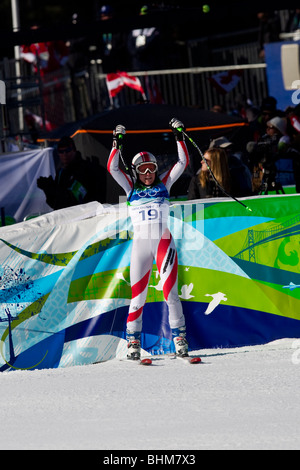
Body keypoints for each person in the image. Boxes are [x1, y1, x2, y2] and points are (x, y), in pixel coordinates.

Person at [107, 118, 191, 361]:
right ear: (135, 172)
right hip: (141, 246)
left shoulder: (165, 182)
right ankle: (133, 342)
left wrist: (179, 136)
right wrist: (117, 143)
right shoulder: (130, 188)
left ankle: (180, 340)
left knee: (170, 294)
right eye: (142, 170)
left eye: (151, 168)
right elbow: (113, 168)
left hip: (163, 242)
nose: (147, 174)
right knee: (138, 296)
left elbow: (182, 162)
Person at [37, 136, 104, 210]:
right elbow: (55, 204)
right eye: (61, 151)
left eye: (68, 150)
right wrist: (47, 190)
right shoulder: (60, 172)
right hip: (63, 216)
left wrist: (52, 189)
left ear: (74, 150)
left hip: (83, 214)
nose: (64, 154)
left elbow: (74, 201)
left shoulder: (84, 170)